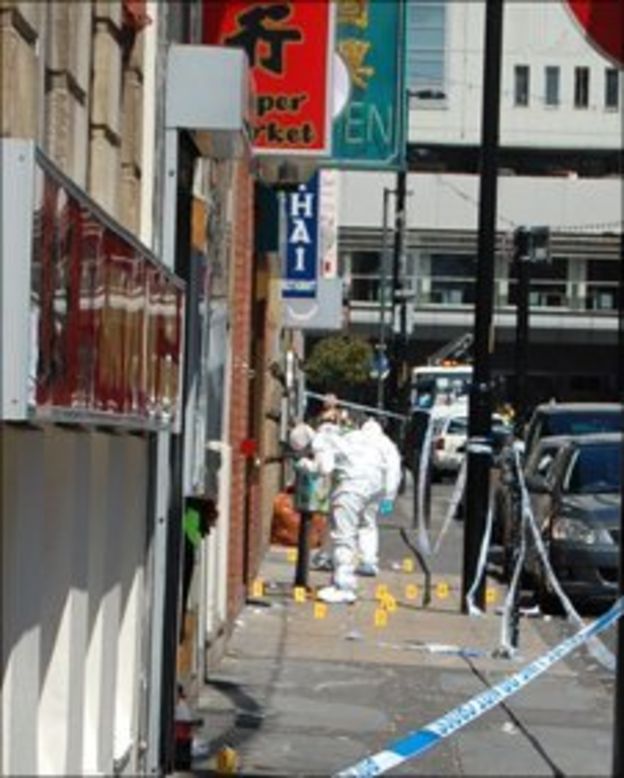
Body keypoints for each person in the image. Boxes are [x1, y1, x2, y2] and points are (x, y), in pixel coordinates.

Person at [289, 420, 386, 604]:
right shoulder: (332, 434)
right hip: (371, 482)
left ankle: (344, 587)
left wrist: (304, 465)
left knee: (343, 536)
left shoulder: (320, 442)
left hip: (352, 485)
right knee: (358, 528)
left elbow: (325, 468)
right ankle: (343, 580)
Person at [356, 417, 402, 576]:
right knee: (368, 523)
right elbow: (394, 472)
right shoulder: (386, 444)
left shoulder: (354, 439)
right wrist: (388, 499)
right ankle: (368, 560)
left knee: (344, 523)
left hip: (351, 486)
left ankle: (335, 558)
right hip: (375, 488)